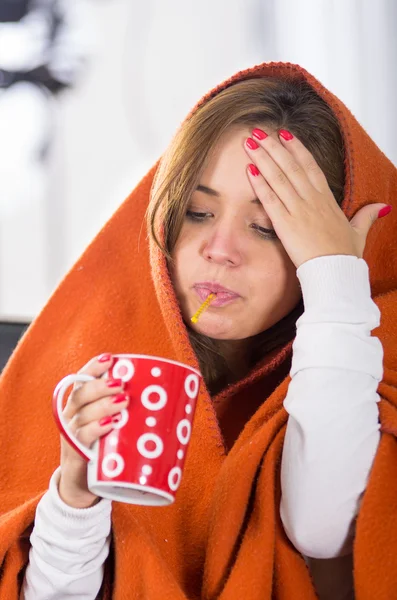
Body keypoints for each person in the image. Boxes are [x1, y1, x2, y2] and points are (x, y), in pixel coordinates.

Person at [0, 61, 396, 600]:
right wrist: (75, 496)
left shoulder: (372, 351)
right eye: (196, 213)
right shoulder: (90, 355)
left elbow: (323, 530)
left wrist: (336, 286)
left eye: (269, 227)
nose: (220, 251)